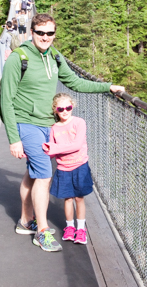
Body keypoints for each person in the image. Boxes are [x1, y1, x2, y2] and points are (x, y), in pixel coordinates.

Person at [0, 13, 125, 252]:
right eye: (40, 33)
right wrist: (13, 139)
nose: (45, 37)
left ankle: (26, 221)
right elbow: (6, 100)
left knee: (33, 174)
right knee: (45, 174)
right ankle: (42, 232)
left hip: (48, 124)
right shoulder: (19, 58)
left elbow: (76, 82)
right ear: (32, 33)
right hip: (26, 123)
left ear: (54, 34)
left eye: (50, 33)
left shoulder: (55, 56)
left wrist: (107, 87)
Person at [43, 93, 91, 245]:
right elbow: (50, 150)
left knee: (79, 197)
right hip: (64, 167)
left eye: (68, 107)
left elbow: (76, 145)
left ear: (72, 106)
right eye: (61, 108)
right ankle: (70, 228)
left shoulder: (79, 122)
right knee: (68, 198)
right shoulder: (54, 128)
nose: (65, 111)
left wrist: (57, 148)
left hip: (80, 165)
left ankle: (81, 229)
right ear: (55, 110)